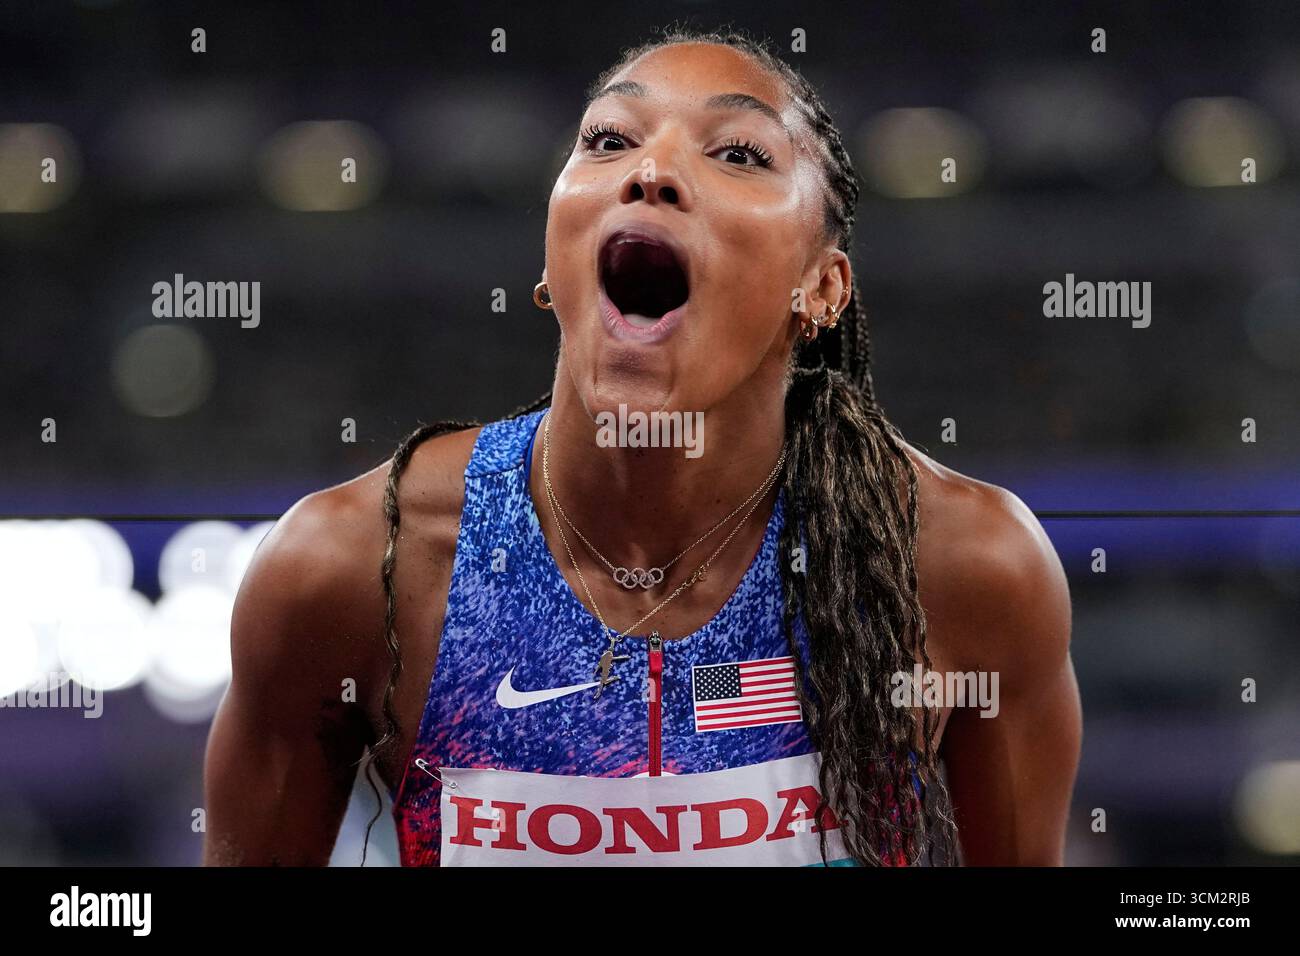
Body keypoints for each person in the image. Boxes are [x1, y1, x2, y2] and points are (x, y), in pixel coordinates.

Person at [202, 28, 1081, 867]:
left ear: (821, 287)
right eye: (610, 139)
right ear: (552, 258)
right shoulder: (353, 571)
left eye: (738, 152)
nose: (653, 170)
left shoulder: (963, 570)